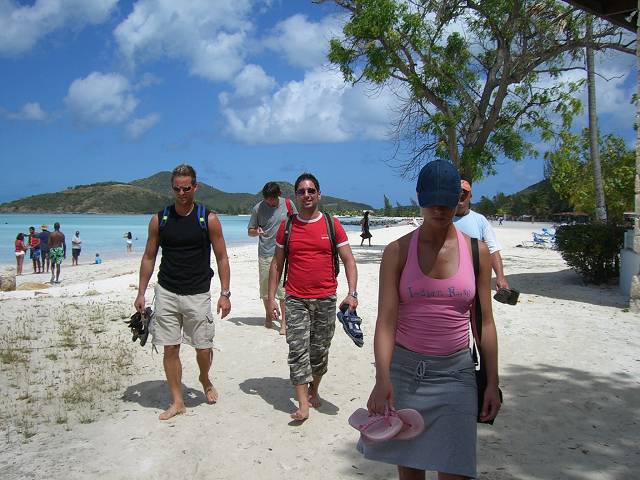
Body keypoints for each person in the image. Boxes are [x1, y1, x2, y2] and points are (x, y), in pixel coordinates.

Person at [357, 160, 501, 479]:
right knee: (410, 473)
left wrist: (492, 382)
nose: (439, 209)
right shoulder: (397, 251)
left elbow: (485, 323)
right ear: (420, 199)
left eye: (446, 201)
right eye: (432, 202)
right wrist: (382, 379)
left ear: (459, 199)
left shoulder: (476, 252)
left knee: (456, 470)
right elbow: (386, 322)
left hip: (457, 376)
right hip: (405, 375)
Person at [134, 164, 231, 421]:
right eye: (177, 189)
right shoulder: (160, 219)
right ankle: (177, 401)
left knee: (203, 348)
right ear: (172, 188)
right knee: (170, 348)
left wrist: (225, 293)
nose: (181, 193)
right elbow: (149, 257)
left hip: (197, 293)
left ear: (195, 187)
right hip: (166, 291)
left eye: (186, 188)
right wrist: (141, 292)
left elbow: (222, 257)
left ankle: (204, 378)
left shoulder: (208, 219)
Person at [268, 172, 359, 421]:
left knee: (319, 351)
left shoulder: (332, 224)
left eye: (311, 191)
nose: (306, 195)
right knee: (297, 350)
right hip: (295, 298)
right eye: (301, 191)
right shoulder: (287, 227)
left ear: (319, 194)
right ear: (295, 196)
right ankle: (302, 404)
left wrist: (352, 294)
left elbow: (349, 261)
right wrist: (271, 299)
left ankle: (313, 390)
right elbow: (276, 265)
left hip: (326, 298)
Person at [247, 181, 297, 335]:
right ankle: (269, 314)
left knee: (282, 290)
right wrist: (257, 232)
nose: (269, 202)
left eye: (272, 200)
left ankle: (284, 323)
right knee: (265, 289)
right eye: (267, 199)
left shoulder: (288, 204)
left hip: (284, 253)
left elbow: (297, 224)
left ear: (278, 195)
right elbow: (250, 231)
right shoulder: (258, 208)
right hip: (265, 253)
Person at [454, 176, 510, 290]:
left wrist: (500, 277)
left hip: (475, 278)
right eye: (457, 192)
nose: (461, 195)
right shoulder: (443, 220)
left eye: (464, 192)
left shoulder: (480, 220)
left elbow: (493, 249)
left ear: (470, 196)